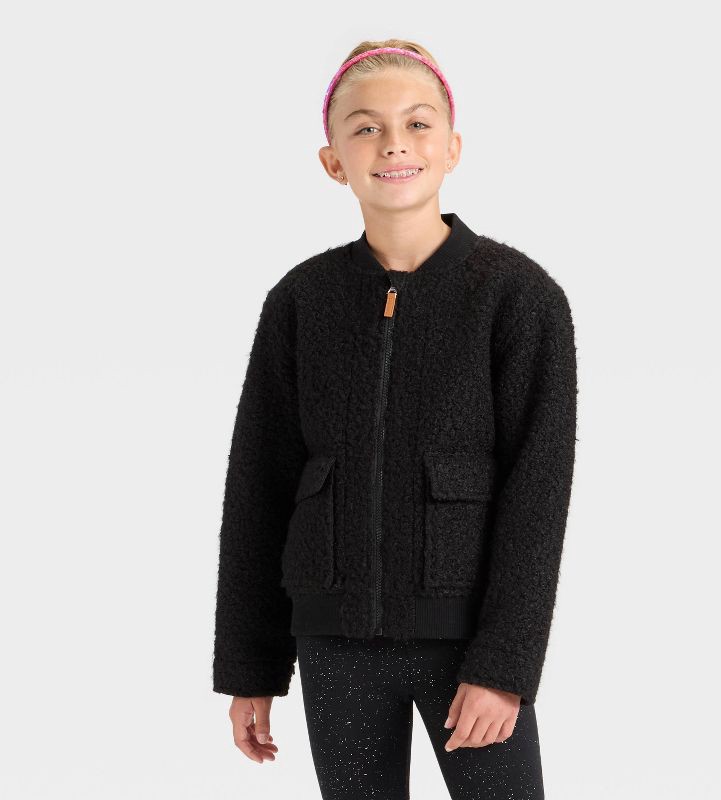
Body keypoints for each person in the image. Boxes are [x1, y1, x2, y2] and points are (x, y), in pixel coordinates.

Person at [212, 38, 578, 800]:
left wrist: (504, 666)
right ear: (332, 161)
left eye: (416, 123)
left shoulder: (517, 298)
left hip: (468, 645)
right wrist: (252, 666)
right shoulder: (300, 301)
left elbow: (538, 496)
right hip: (335, 642)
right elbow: (258, 485)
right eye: (366, 128)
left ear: (452, 147)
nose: (393, 144)